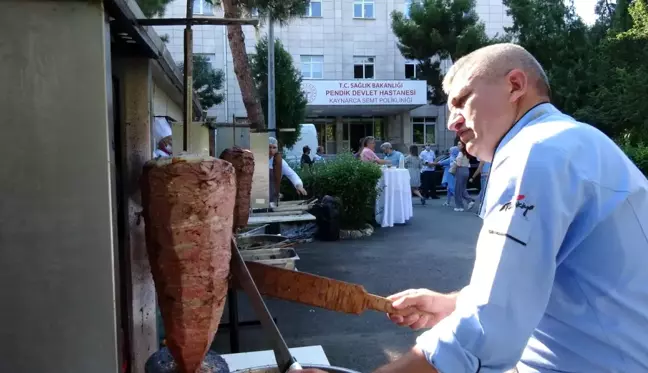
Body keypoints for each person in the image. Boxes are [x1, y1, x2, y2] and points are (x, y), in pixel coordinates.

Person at [301, 43, 648, 373]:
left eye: (463, 100)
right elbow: (538, 283)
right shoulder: (570, 142)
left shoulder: (535, 151)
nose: (452, 122)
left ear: (515, 85)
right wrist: (452, 303)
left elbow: (487, 327)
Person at [268, 137, 307, 203]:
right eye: (269, 147)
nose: (271, 150)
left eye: (274, 147)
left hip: (273, 199)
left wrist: (298, 185)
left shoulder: (280, 163)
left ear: (277, 149)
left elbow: (292, 174)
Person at [452, 142, 476, 212]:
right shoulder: (467, 154)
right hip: (466, 171)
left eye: (459, 144)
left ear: (463, 146)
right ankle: (469, 201)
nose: (458, 145)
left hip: (461, 170)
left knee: (457, 189)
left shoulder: (460, 153)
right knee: (462, 188)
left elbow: (458, 164)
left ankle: (459, 206)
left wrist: (454, 161)